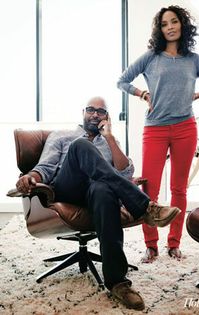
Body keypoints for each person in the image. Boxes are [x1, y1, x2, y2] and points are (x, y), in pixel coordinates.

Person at [15, 96, 180, 310]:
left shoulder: (109, 141)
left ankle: (117, 282)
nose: (95, 114)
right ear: (83, 111)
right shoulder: (63, 136)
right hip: (68, 190)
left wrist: (110, 137)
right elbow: (46, 167)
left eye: (101, 111)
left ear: (106, 117)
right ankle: (146, 207)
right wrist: (31, 176)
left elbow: (125, 173)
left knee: (103, 189)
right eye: (91, 110)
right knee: (81, 146)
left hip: (96, 193)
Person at [117, 5, 199, 262]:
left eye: (174, 22)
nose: (170, 27)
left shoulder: (194, 60)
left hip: (185, 128)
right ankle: (150, 245)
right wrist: (141, 93)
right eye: (165, 24)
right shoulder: (151, 57)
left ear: (182, 25)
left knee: (179, 189)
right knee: (148, 191)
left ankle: (174, 243)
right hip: (155, 129)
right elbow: (122, 81)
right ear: (160, 29)